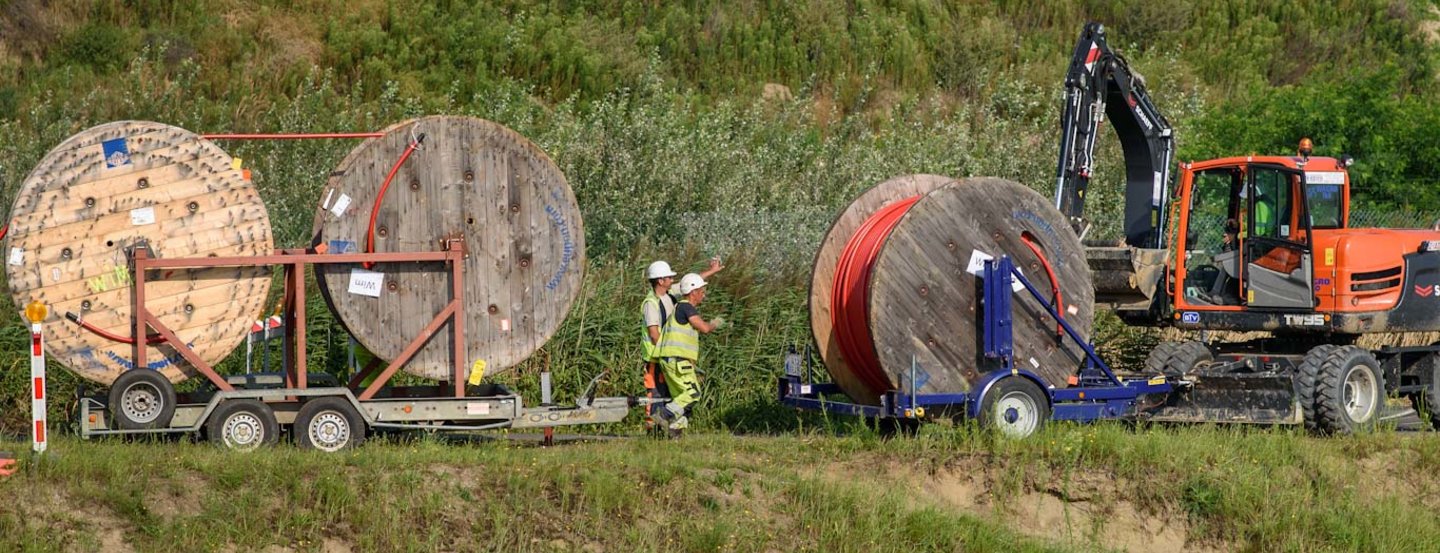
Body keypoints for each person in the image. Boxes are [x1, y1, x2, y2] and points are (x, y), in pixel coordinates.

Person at [640, 258, 723, 429]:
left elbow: (689, 285)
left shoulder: (670, 295)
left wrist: (712, 271)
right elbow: (654, 334)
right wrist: (671, 352)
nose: (672, 280)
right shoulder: (651, 303)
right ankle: (653, 429)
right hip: (655, 356)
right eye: (669, 278)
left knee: (675, 396)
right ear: (660, 281)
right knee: (657, 396)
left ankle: (671, 430)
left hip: (667, 355)